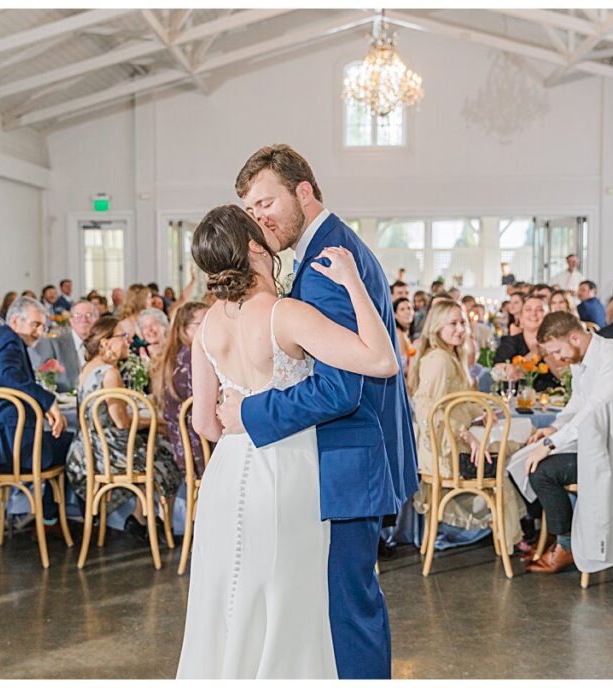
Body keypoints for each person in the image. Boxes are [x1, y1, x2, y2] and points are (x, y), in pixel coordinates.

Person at [184, 145, 416, 679]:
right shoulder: (306, 281)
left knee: (262, 603)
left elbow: (340, 391)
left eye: (266, 201)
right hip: (292, 470)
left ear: (303, 193)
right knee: (304, 606)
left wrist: (250, 414)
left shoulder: (323, 265)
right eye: (251, 210)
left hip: (306, 465)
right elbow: (369, 366)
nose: (261, 217)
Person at [511, 311, 613, 573]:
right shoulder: (580, 356)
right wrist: (552, 427)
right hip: (595, 441)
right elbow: (577, 404)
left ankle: (567, 545)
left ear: (574, 337)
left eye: (558, 350)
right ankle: (548, 537)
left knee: (542, 470)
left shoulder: (612, 357)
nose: (557, 359)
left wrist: (550, 444)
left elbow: (592, 411)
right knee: (520, 459)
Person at [408, 300, 525, 549]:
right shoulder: (439, 359)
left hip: (446, 446)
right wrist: (465, 435)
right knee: (515, 451)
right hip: (444, 454)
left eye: (463, 322)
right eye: (453, 323)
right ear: (437, 326)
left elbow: (455, 402)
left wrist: (479, 412)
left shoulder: (449, 356)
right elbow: (429, 407)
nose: (461, 329)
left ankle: (509, 532)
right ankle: (511, 535)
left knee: (513, 450)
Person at [65, 317, 182, 536]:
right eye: (123, 337)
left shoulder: (87, 368)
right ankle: (163, 525)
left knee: (151, 446)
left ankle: (139, 517)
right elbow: (122, 422)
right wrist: (159, 422)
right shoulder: (110, 373)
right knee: (168, 455)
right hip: (106, 453)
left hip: (85, 449)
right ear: (105, 342)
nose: (129, 342)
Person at [0, 297, 71, 523]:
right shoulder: (9, 341)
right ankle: (53, 517)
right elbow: (8, 375)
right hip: (11, 446)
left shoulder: (2, 338)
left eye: (42, 326)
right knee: (76, 445)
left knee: (64, 440)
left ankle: (47, 513)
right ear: (16, 321)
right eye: (35, 325)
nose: (39, 333)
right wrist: (48, 402)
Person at [151, 301, 208, 476]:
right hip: (199, 450)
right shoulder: (191, 357)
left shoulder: (176, 355)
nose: (209, 327)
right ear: (185, 329)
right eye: (203, 323)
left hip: (182, 446)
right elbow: (205, 408)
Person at [492, 295, 562, 392]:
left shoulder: (557, 344)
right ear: (520, 319)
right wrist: (534, 355)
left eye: (539, 310)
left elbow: (564, 377)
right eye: (528, 309)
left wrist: (545, 353)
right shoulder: (509, 342)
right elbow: (499, 373)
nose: (533, 313)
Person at [32, 299, 95, 393]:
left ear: (96, 319)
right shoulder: (54, 344)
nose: (84, 319)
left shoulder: (102, 344)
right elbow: (44, 379)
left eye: (89, 315)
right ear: (71, 320)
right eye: (78, 316)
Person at [394, 297, 415, 378]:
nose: (407, 312)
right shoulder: (398, 334)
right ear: (395, 314)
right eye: (402, 309)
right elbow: (402, 368)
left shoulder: (404, 332)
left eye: (409, 308)